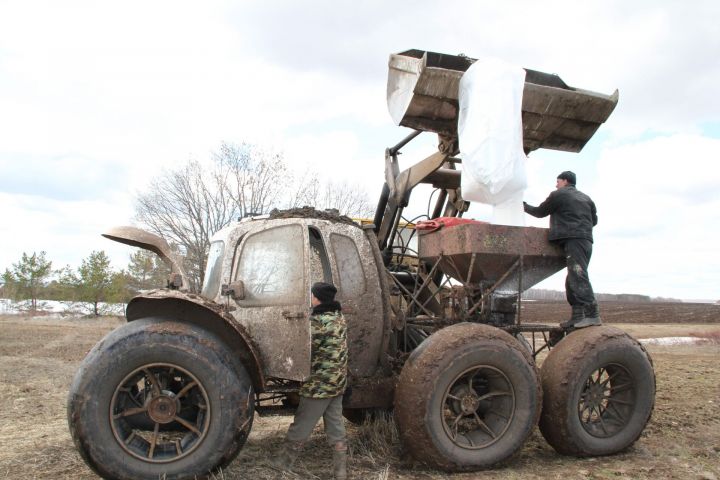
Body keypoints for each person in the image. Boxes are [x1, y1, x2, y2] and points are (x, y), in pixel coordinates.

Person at [271, 281, 349, 479]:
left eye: (312, 295)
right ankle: (340, 471)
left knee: (302, 425)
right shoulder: (339, 318)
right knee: (336, 427)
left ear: (317, 297)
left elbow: (303, 350)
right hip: (337, 383)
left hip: (319, 386)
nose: (311, 298)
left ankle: (283, 463)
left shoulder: (316, 323)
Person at [524, 171, 601, 329]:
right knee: (572, 278)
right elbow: (594, 221)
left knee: (578, 275)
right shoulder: (587, 198)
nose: (556, 184)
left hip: (574, 240)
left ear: (565, 181)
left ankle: (592, 315)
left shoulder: (559, 195)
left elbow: (540, 212)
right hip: (586, 241)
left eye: (558, 181)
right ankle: (577, 317)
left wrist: (522, 206)